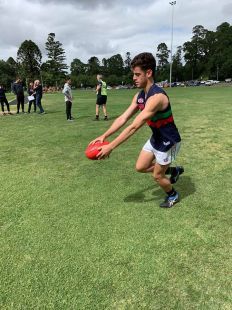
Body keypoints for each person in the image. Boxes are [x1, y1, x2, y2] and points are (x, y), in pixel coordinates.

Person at [90, 52, 184, 208]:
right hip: (157, 137)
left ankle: (172, 194)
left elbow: (134, 126)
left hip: (169, 141)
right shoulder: (139, 96)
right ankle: (173, 171)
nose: (133, 78)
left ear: (148, 73)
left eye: (137, 74)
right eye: (133, 74)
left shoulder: (157, 97)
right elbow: (123, 118)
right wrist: (104, 136)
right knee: (140, 167)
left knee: (157, 176)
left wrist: (111, 146)